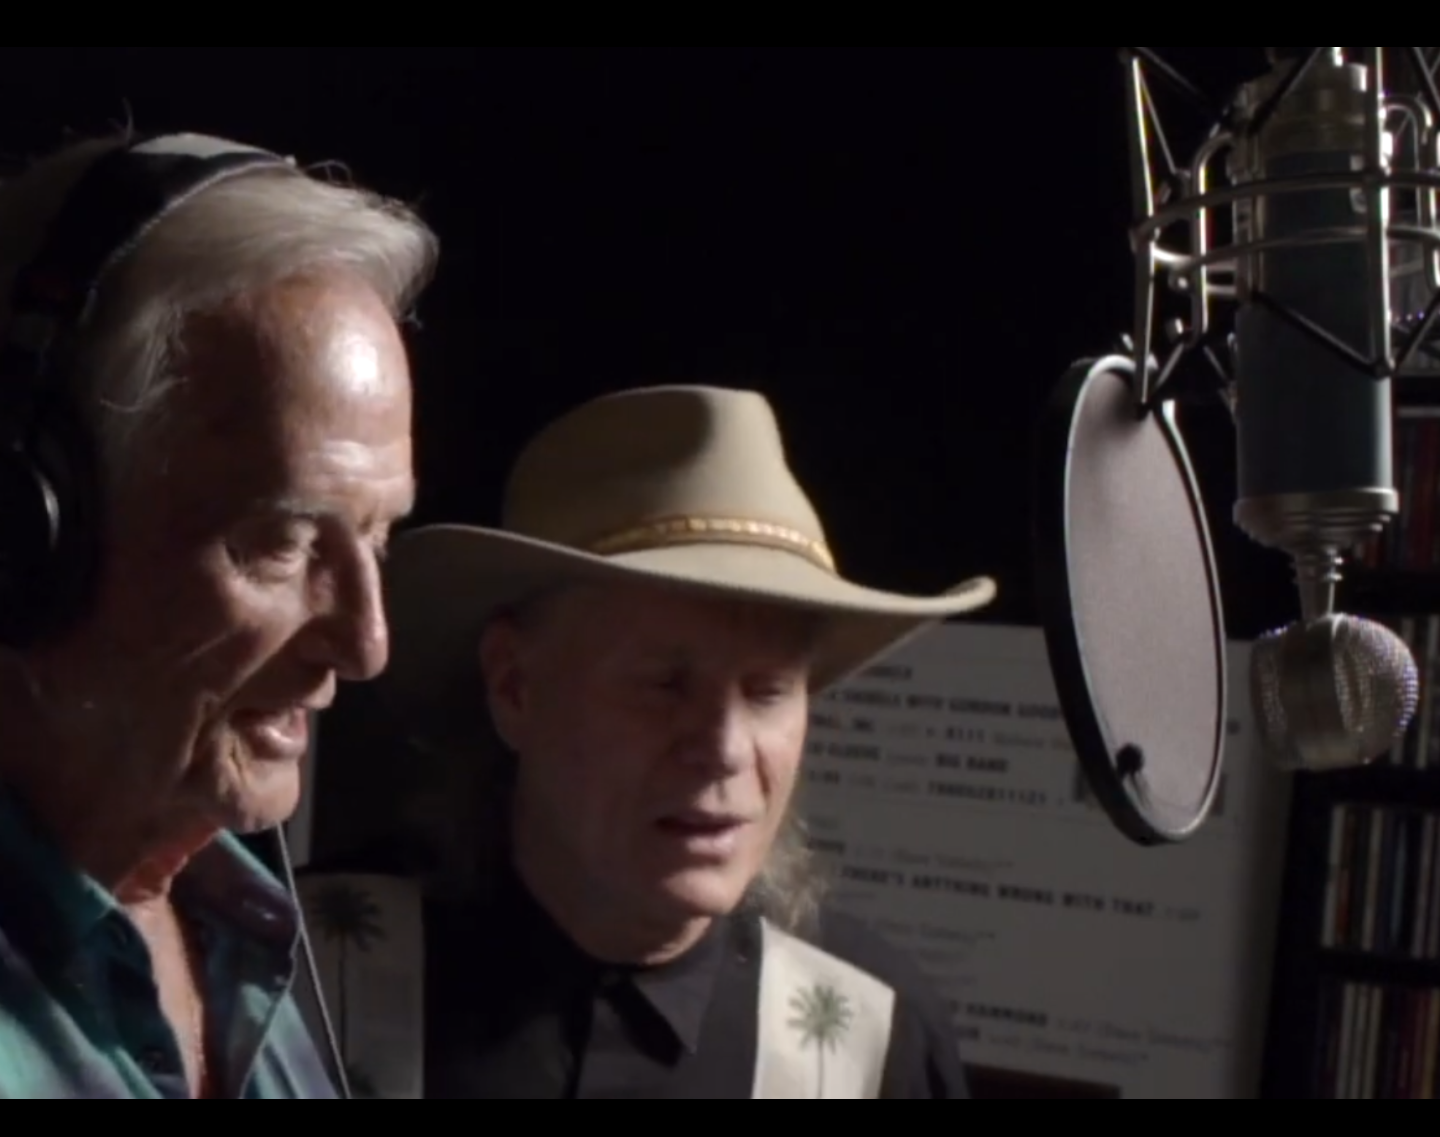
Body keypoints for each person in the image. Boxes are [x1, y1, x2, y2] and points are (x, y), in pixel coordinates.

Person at [376, 384, 997, 1098]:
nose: (725, 748)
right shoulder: (317, 977)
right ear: (515, 685)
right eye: (665, 684)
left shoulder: (871, 1044)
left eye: (766, 690)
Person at [0, 131, 438, 1098]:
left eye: (376, 538)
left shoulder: (241, 923)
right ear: (28, 537)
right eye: (281, 543)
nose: (365, 645)